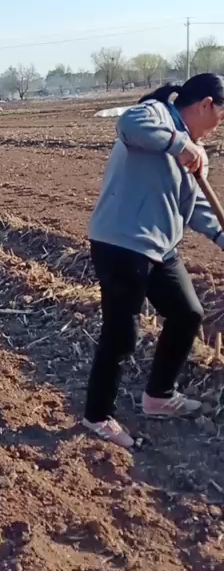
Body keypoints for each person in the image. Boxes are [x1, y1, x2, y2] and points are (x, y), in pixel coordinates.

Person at [84, 72, 224, 448]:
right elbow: (127, 123)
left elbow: (193, 205)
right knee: (122, 334)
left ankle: (159, 396)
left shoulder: (196, 153)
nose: (216, 128)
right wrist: (179, 143)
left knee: (187, 313)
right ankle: (97, 416)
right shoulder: (157, 115)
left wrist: (221, 236)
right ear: (205, 104)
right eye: (218, 118)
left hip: (160, 248)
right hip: (121, 242)